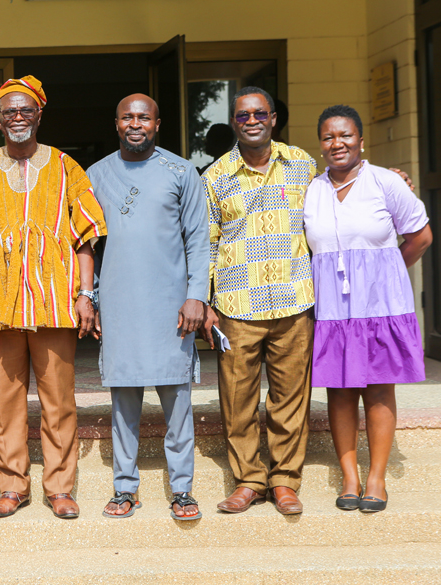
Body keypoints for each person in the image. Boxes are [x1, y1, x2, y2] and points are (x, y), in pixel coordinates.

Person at [0, 76, 106, 519]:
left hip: (54, 299)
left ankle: (60, 488)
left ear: (39, 115)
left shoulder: (66, 167)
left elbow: (85, 235)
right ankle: (12, 485)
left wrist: (85, 294)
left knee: (59, 399)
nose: (18, 117)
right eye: (10, 111)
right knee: (5, 400)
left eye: (26, 110)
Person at [304, 105, 432, 514]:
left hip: (381, 306)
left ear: (361, 140)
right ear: (320, 145)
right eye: (328, 137)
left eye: (345, 135)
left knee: (378, 389)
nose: (337, 143)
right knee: (340, 391)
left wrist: (387, 271)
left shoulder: (386, 182)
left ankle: (376, 477)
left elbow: (421, 237)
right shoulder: (312, 190)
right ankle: (350, 477)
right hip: (333, 309)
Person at [88, 94, 206, 521]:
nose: (135, 124)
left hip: (172, 306)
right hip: (119, 303)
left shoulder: (182, 171)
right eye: (127, 117)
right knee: (123, 400)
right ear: (116, 123)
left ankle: (182, 489)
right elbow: (86, 246)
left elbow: (198, 238)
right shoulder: (96, 175)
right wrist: (92, 298)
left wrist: (196, 295)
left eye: (144, 117)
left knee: (177, 399)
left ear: (158, 124)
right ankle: (125, 487)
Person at [201, 86, 315, 516]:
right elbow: (207, 245)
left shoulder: (302, 165)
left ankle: (285, 481)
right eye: (243, 115)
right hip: (236, 305)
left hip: (294, 301)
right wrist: (206, 302)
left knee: (290, 398)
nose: (252, 121)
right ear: (234, 122)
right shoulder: (215, 177)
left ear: (273, 119)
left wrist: (387, 179)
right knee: (238, 400)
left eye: (259, 114)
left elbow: (338, 197)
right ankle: (249, 480)